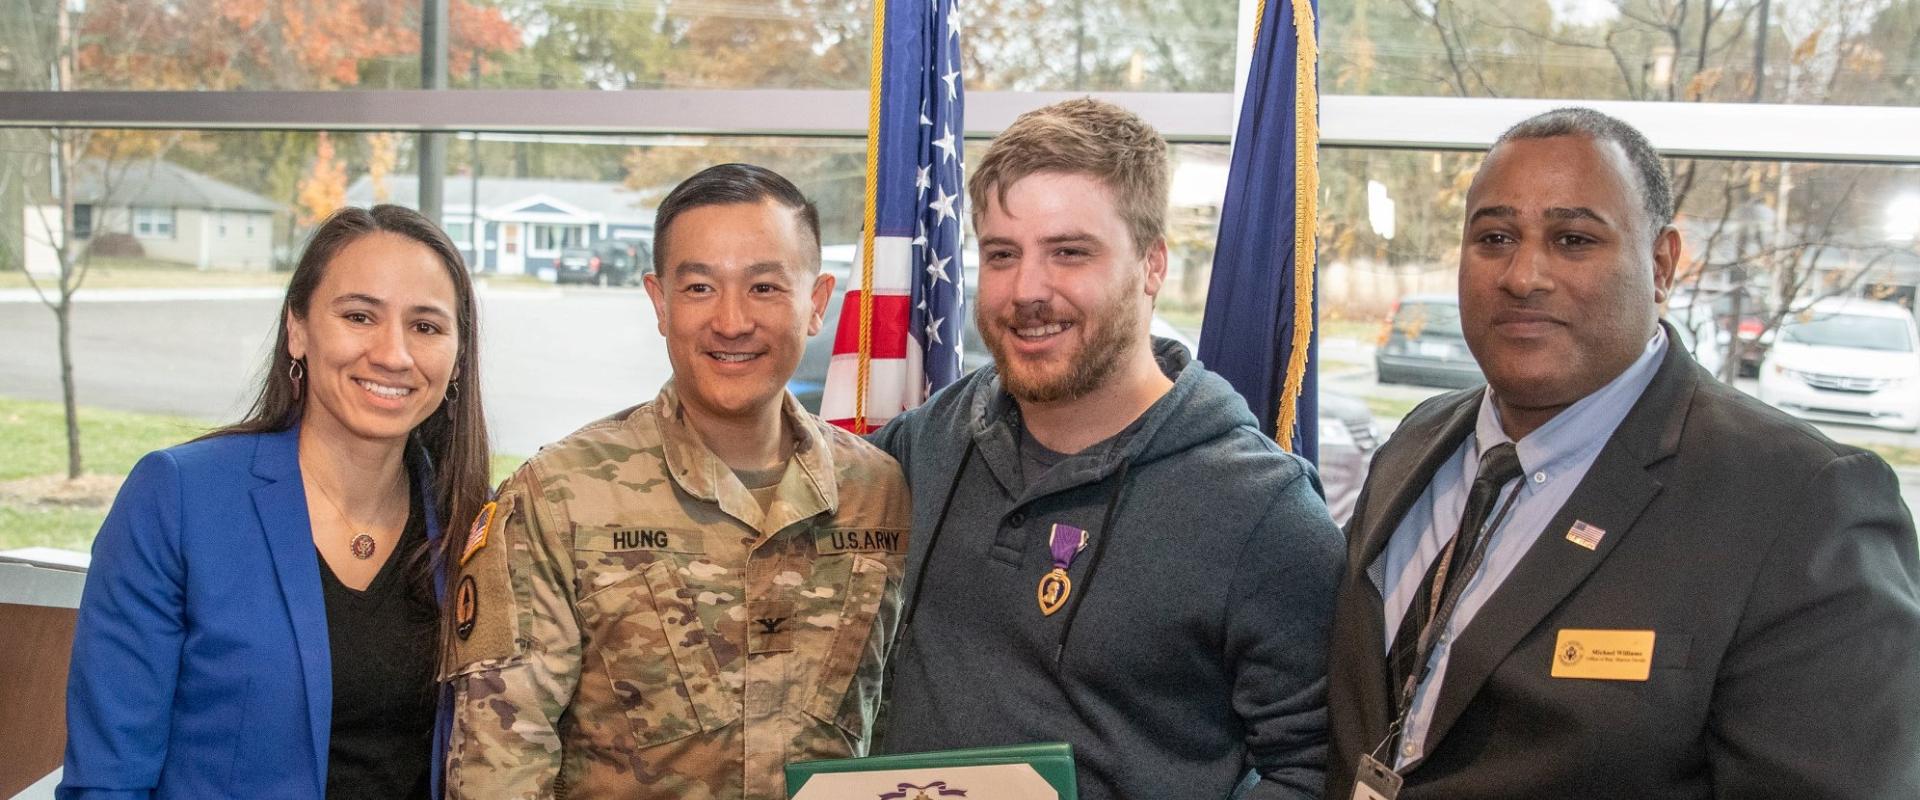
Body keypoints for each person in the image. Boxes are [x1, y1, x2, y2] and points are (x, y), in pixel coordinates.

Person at [1324, 107, 1920, 799]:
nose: (1524, 275)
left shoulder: (1800, 503)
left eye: (1573, 239)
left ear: (1661, 264)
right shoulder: (1416, 444)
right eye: (1494, 237)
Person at [869, 98, 1344, 800]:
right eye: (1002, 254)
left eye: (1069, 252)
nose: (1028, 290)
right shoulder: (929, 440)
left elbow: (1311, 769)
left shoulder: (1264, 513)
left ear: (1152, 265)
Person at [443, 164, 911, 799]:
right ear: (660, 303)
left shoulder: (880, 494)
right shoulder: (560, 496)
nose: (731, 320)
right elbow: (499, 766)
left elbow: (899, 731)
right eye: (698, 288)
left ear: (818, 304)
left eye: (766, 287)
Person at [61, 205, 492, 799]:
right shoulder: (180, 498)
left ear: (458, 355)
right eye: (360, 316)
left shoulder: (479, 525)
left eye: (426, 326)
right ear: (298, 329)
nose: (394, 354)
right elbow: (107, 781)